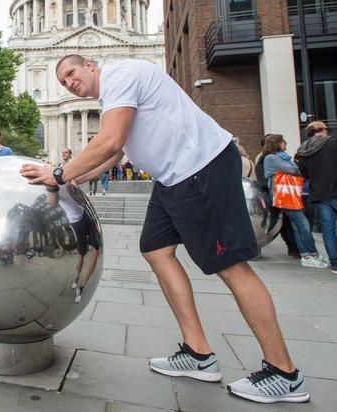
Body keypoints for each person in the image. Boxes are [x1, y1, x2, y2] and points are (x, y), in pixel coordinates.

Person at [21, 55, 310, 404]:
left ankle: (283, 373)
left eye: (71, 73)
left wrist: (58, 174)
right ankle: (198, 353)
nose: (69, 83)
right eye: (63, 82)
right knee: (156, 250)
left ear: (91, 64)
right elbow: (113, 157)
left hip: (200, 167)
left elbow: (110, 142)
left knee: (231, 267)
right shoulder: (112, 96)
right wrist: (68, 183)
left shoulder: (122, 75)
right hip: (173, 178)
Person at [262, 134, 328, 269]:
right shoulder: (272, 158)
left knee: (298, 225)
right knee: (302, 224)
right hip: (285, 196)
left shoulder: (280, 157)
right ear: (277, 143)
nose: (286, 143)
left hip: (289, 196)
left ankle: (308, 254)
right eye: (283, 141)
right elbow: (293, 170)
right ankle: (310, 255)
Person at [296, 121, 337, 274]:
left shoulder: (303, 150)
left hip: (319, 194)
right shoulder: (332, 143)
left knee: (328, 230)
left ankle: (335, 264)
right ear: (323, 130)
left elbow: (304, 174)